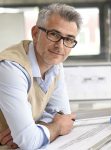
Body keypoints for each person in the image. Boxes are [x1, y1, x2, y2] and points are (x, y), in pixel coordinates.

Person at [0, 3, 82, 150]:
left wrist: (33, 131)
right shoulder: (10, 68)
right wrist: (55, 127)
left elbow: (63, 116)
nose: (60, 46)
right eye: (54, 34)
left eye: (69, 39)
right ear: (35, 33)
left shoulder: (55, 64)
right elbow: (29, 141)